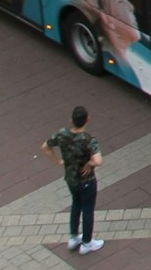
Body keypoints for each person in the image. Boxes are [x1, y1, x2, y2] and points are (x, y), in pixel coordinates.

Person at [40, 105, 104, 254]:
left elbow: (45, 147)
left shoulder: (62, 134)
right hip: (87, 181)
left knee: (76, 204)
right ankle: (87, 243)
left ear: (71, 120)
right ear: (87, 119)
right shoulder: (89, 140)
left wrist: (57, 162)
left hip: (70, 179)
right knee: (88, 210)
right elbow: (99, 161)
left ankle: (73, 237)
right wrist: (90, 162)